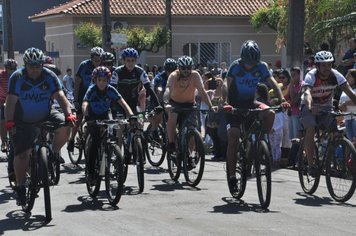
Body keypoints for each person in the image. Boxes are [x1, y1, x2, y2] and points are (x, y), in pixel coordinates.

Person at [5, 47, 76, 205]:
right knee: (22, 154)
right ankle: (21, 187)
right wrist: (9, 122)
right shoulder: (17, 77)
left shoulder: (49, 76)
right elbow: (10, 102)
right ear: (25, 65)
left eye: (38, 66)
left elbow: (61, 96)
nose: (35, 69)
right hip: (22, 120)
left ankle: (53, 153)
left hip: (46, 114)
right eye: (32, 66)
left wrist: (68, 114)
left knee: (67, 125)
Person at [224, 40, 288, 191]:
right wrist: (225, 102)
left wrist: (283, 100)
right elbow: (226, 85)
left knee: (271, 112)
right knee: (233, 137)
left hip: (251, 102)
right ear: (242, 58)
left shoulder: (262, 66)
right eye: (248, 62)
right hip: (233, 105)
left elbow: (272, 83)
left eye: (253, 62)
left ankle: (260, 142)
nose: (250, 65)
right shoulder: (235, 66)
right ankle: (232, 177)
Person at [300, 51, 356, 176]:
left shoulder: (336, 75)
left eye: (329, 65)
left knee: (336, 133)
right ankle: (310, 165)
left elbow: (350, 93)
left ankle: (328, 159)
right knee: (311, 128)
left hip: (326, 108)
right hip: (309, 107)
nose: (327, 68)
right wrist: (310, 107)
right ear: (317, 66)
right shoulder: (311, 75)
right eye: (324, 65)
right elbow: (307, 93)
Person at [82, 66, 133, 183]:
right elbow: (85, 103)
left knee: (112, 132)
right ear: (95, 80)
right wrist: (86, 115)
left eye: (104, 80)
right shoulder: (92, 89)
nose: (102, 83)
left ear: (108, 80)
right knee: (95, 142)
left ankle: (111, 154)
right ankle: (90, 172)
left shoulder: (111, 90)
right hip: (93, 116)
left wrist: (131, 115)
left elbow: (123, 103)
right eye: (99, 80)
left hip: (105, 114)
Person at [163, 55, 216, 152]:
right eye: (183, 68)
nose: (186, 70)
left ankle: (191, 154)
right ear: (179, 68)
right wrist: (166, 103)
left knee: (192, 129)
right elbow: (168, 89)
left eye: (189, 68)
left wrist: (210, 106)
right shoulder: (174, 75)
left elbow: (202, 91)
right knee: (172, 119)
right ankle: (171, 143)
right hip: (175, 103)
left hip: (190, 104)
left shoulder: (195, 75)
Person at [68, 46, 104, 152]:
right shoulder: (84, 65)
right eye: (95, 60)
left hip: (96, 96)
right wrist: (75, 99)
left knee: (94, 120)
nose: (97, 62)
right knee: (79, 119)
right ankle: (71, 140)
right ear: (91, 58)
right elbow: (77, 83)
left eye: (99, 60)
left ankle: (90, 139)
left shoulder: (102, 67)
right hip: (82, 95)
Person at [0, 59, 17, 153]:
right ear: (6, 68)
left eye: (13, 68)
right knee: (2, 121)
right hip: (3, 100)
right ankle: (3, 142)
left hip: (15, 100)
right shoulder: (1, 76)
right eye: (9, 68)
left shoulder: (18, 75)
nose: (11, 70)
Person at [339, 69, 356, 143]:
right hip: (347, 118)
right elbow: (340, 103)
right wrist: (341, 106)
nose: (346, 77)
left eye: (349, 76)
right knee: (351, 142)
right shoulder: (346, 89)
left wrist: (345, 103)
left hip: (355, 117)